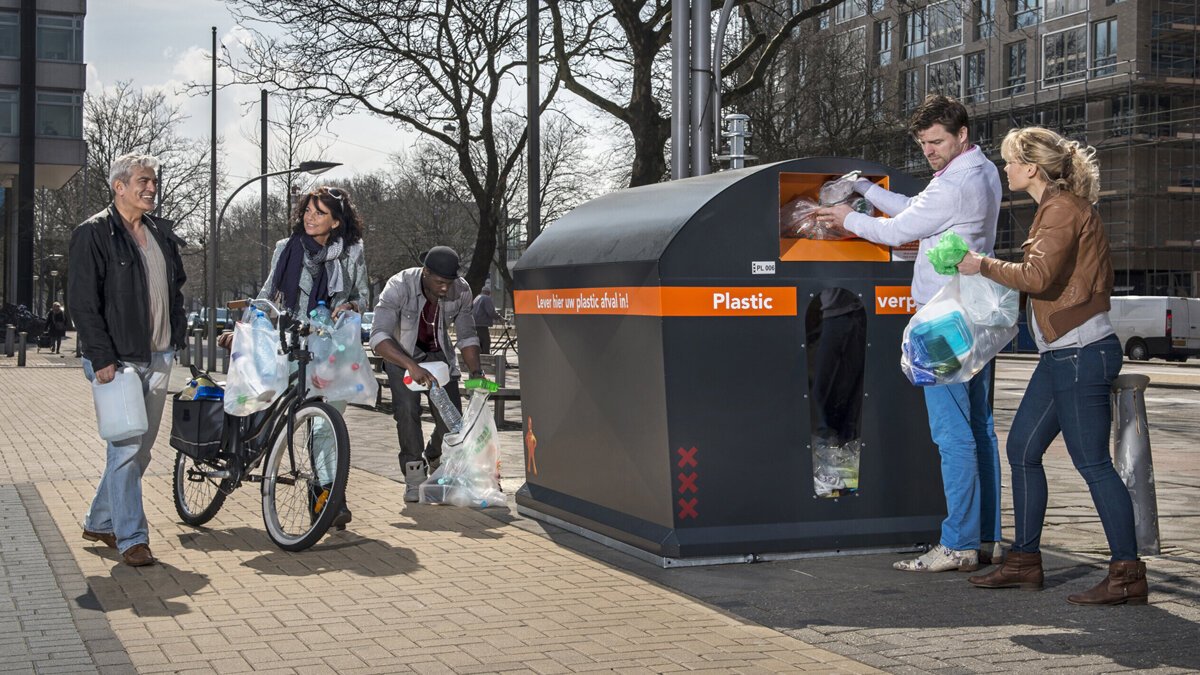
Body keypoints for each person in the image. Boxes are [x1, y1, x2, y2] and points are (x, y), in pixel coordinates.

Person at [957, 127, 1147, 605]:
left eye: (1010, 162)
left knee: (1093, 463)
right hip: (1062, 354)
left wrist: (980, 265)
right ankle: (1024, 562)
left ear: (1032, 168)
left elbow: (1039, 276)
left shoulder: (1062, 208)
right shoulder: (1054, 208)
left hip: (1081, 353)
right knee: (1021, 448)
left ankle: (1127, 574)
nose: (1005, 169)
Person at [815, 94, 1003, 572]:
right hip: (971, 313)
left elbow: (899, 231)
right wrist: (864, 186)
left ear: (962, 134)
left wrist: (847, 219)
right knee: (978, 428)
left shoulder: (957, 184)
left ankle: (957, 543)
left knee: (951, 434)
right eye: (922, 144)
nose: (929, 151)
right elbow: (914, 207)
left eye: (936, 141)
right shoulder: (976, 172)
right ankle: (985, 538)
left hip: (943, 322)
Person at [218, 186, 368, 528]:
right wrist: (241, 329)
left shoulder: (352, 253)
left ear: (336, 221)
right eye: (307, 210)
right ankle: (235, 454)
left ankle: (329, 500)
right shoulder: (286, 249)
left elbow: (362, 295)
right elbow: (269, 293)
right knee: (261, 401)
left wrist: (352, 305)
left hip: (332, 349)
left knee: (326, 424)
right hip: (290, 342)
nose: (310, 217)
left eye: (319, 212)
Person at [69, 153, 188, 567]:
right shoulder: (93, 233)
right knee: (124, 449)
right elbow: (82, 304)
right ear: (119, 186)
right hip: (117, 362)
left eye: (153, 181)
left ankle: (100, 519)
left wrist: (178, 334)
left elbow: (174, 291)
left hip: (158, 355)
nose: (151, 187)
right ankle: (131, 537)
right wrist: (100, 357)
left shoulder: (159, 233)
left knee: (141, 451)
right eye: (142, 181)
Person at [370, 246, 484, 501]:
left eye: (449, 282)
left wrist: (476, 372)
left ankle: (435, 454)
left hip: (438, 356)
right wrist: (410, 365)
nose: (445, 288)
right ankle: (414, 476)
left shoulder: (462, 289)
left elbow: (466, 335)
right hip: (400, 355)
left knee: (452, 419)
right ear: (425, 273)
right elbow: (378, 337)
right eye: (440, 282)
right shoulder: (399, 286)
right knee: (408, 412)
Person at [471, 287, 505, 354]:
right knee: (486, 341)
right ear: (488, 293)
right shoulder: (486, 298)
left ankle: (480, 358)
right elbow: (491, 311)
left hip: (475, 323)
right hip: (481, 324)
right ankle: (486, 357)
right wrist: (500, 317)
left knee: (480, 342)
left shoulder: (477, 297)